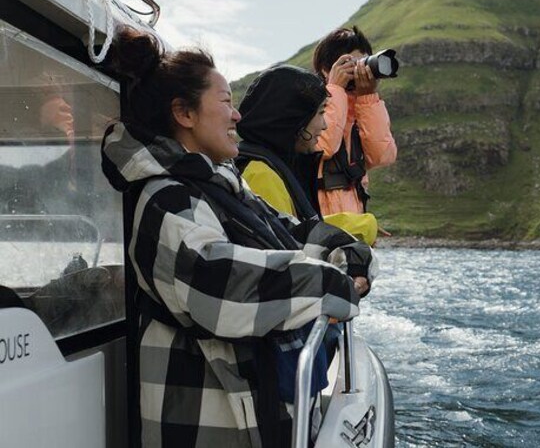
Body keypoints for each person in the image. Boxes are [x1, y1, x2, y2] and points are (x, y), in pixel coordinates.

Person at [100, 27, 374, 448]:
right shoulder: (164, 199)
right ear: (184, 114)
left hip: (250, 417)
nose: (237, 116)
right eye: (226, 102)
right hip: (203, 429)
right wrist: (330, 282)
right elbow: (217, 282)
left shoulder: (221, 183)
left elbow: (291, 231)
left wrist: (349, 253)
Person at [235, 63, 378, 246]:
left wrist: (365, 226)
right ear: (294, 119)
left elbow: (300, 226)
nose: (324, 125)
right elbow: (290, 249)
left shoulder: (271, 165)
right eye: (320, 113)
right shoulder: (261, 175)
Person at [311, 26, 397, 215]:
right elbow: (323, 147)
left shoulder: (362, 111)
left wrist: (368, 98)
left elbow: (382, 156)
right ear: (326, 69)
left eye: (363, 62)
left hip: (353, 226)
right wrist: (335, 89)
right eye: (351, 63)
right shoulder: (308, 108)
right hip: (319, 226)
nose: (360, 71)